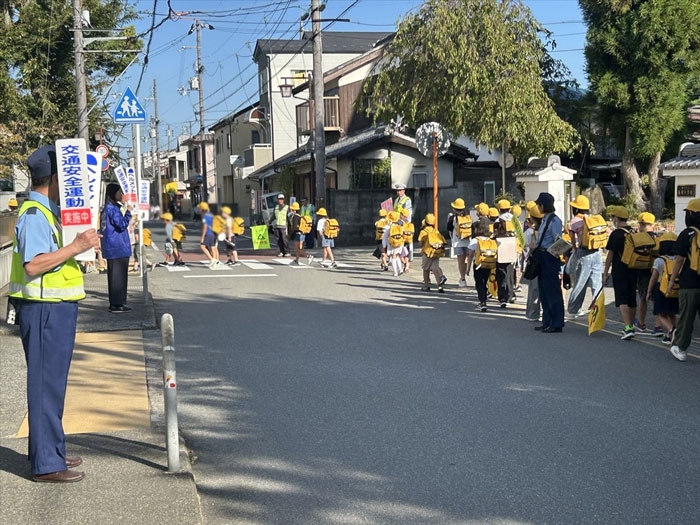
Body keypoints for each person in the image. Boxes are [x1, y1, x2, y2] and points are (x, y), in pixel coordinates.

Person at [10, 145, 100, 482]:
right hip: (45, 309)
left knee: (52, 386)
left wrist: (80, 250)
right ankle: (47, 463)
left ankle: (53, 452)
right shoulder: (35, 214)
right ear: (55, 178)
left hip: (53, 308)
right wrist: (75, 248)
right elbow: (34, 265)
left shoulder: (48, 212)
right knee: (46, 386)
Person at [666, 199, 700, 361]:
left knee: (687, 317)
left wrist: (672, 281)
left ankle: (680, 347)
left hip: (689, 283)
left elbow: (679, 259)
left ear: (692, 214)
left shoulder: (687, 234)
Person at [603, 206, 638, 340]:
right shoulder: (634, 232)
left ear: (617, 218)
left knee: (622, 298)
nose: (612, 219)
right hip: (634, 268)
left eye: (612, 217)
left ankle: (627, 327)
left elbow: (610, 255)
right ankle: (632, 324)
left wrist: (606, 273)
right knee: (632, 298)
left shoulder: (616, 234)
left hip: (620, 269)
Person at [566, 195, 603, 318]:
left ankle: (574, 310)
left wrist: (576, 250)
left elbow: (572, 240)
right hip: (597, 253)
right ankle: (598, 310)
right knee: (596, 284)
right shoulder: (592, 219)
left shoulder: (575, 221)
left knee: (580, 283)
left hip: (583, 254)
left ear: (576, 209)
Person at [533, 192, 565, 333]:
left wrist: (553, 256)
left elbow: (559, 241)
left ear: (543, 205)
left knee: (552, 290)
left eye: (539, 204)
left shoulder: (554, 220)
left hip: (549, 257)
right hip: (542, 255)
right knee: (544, 291)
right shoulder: (546, 219)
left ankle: (556, 322)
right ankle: (547, 321)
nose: (538, 207)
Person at [101, 183, 133, 313]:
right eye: (119, 192)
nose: (121, 195)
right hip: (117, 246)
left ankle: (118, 302)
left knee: (116, 277)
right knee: (118, 277)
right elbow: (121, 224)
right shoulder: (112, 209)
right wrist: (128, 212)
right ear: (113, 194)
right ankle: (117, 304)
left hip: (112, 246)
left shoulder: (107, 208)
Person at [646, 232, 678, 345]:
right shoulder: (678, 260)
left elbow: (654, 278)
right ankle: (670, 336)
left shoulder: (660, 260)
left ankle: (672, 330)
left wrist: (649, 291)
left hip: (662, 289)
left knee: (660, 313)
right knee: (671, 313)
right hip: (675, 289)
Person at [634, 212, 656, 332]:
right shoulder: (657, 237)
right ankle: (658, 326)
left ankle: (641, 322)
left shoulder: (641, 239)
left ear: (641, 224)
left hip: (643, 271)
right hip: (656, 272)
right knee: (656, 299)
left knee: (643, 298)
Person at [466, 217, 494, 311]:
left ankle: (483, 302)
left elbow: (470, 256)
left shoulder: (475, 240)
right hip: (489, 264)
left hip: (478, 265)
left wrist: (468, 268)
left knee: (479, 283)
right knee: (485, 281)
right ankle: (484, 297)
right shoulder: (491, 239)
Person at [523, 205, 544, 321]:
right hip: (548, 261)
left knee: (534, 288)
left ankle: (532, 313)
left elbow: (524, 247)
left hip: (535, 262)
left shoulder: (530, 232)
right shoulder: (548, 228)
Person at [417, 213, 446, 292]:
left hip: (427, 253)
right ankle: (439, 286)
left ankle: (426, 286)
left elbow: (420, 244)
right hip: (436, 252)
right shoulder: (436, 231)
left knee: (425, 269)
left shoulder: (423, 232)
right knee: (434, 268)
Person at [446, 198, 470, 287]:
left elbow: (450, 231)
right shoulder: (468, 216)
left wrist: (453, 239)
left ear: (454, 208)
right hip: (468, 242)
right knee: (470, 260)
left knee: (461, 261)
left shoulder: (452, 218)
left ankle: (463, 279)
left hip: (457, 242)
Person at [198, 202, 220, 268]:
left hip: (208, 233)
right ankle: (216, 261)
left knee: (202, 246)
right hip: (214, 233)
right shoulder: (211, 215)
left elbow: (205, 227)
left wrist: (202, 237)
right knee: (213, 247)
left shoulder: (205, 216)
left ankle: (211, 259)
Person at [383, 210, 405, 276]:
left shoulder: (388, 226)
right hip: (400, 242)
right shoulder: (401, 224)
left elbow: (385, 237)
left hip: (391, 243)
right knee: (398, 255)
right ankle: (400, 269)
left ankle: (395, 272)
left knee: (393, 256)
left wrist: (384, 245)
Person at [287, 201, 307, 266]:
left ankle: (308, 256)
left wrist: (290, 235)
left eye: (292, 209)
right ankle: (296, 260)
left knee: (298, 249)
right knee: (299, 248)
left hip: (297, 234)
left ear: (294, 210)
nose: (291, 210)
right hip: (302, 233)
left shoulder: (295, 217)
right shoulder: (299, 216)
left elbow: (294, 227)